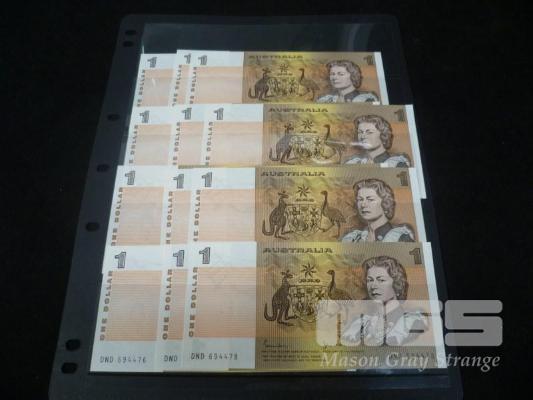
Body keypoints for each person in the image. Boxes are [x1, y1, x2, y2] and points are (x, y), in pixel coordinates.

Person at [341, 256, 428, 346]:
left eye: (381, 280)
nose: (373, 286)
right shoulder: (361, 323)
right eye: (369, 280)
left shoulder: (412, 322)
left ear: (396, 284)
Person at [341, 179, 415, 242]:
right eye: (360, 199)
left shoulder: (400, 237)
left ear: (385, 203)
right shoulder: (354, 238)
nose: (363, 205)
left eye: (370, 199)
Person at [345, 115, 411, 167]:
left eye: (369, 132)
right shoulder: (354, 162)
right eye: (360, 132)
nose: (362, 136)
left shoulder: (397, 164)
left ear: (383, 135)